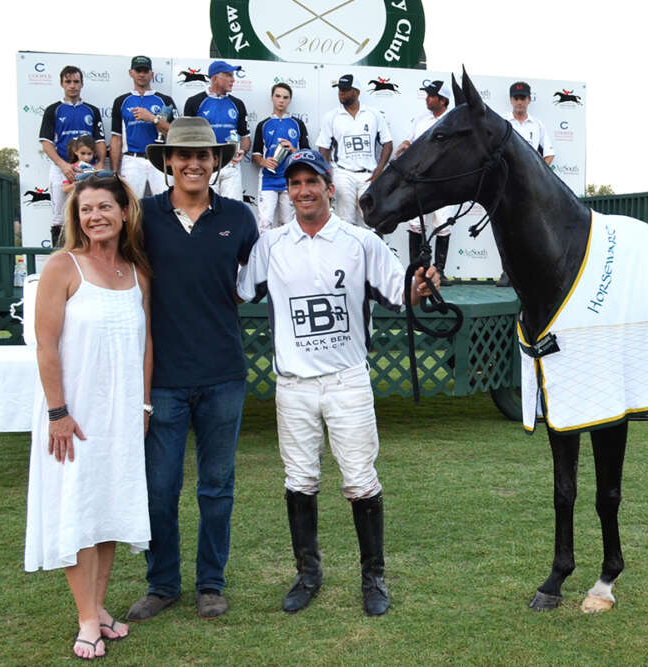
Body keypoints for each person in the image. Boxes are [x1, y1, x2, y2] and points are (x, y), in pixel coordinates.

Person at [237, 149, 440, 617]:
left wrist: (422, 285)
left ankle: (374, 579)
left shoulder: (360, 242)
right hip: (293, 384)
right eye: (295, 184)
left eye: (313, 182)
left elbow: (400, 293)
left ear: (330, 188)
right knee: (300, 481)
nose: (304, 191)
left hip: (347, 380)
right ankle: (308, 575)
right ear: (287, 193)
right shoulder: (271, 245)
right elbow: (239, 290)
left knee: (360, 482)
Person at [126, 117, 259, 622]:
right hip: (162, 379)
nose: (193, 163)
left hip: (224, 373)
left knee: (216, 487)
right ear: (167, 162)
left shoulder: (241, 219)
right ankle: (162, 584)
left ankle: (210, 583)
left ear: (218, 162)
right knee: (159, 488)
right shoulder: (142, 218)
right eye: (183, 155)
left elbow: (265, 278)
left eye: (204, 155)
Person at [25, 174, 153, 660]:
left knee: (108, 507)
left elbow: (146, 344)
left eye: (104, 207)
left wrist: (143, 404)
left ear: (124, 213)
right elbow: (45, 345)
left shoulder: (136, 271)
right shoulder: (62, 266)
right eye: (85, 209)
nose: (94, 216)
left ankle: (98, 608)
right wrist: (58, 412)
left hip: (120, 413)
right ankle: (85, 619)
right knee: (78, 510)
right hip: (74, 414)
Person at [394, 80, 457, 285]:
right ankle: (418, 269)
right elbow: (410, 140)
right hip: (420, 179)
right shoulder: (421, 119)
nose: (427, 99)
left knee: (443, 224)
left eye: (431, 96)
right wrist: (404, 144)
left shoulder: (454, 120)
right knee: (415, 223)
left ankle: (439, 271)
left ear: (443, 99)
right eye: (427, 95)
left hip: (445, 180)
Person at [496, 81, 557, 286]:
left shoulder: (537, 125)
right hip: (506, 183)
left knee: (529, 229)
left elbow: (549, 153)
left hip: (530, 187)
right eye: (516, 98)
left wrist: (539, 173)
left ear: (529, 100)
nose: (519, 102)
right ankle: (507, 272)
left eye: (523, 98)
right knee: (506, 228)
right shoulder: (503, 122)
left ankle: (527, 274)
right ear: (511, 100)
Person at [39, 65, 107, 247]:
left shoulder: (91, 110)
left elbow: (100, 141)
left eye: (76, 81)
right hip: (61, 168)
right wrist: (63, 165)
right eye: (68, 82)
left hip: (87, 169)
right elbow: (46, 143)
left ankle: (87, 254)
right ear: (62, 84)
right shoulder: (53, 110)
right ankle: (59, 257)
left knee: (90, 210)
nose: (72, 86)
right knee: (59, 216)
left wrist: (99, 165)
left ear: (82, 84)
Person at [316, 74, 393, 228]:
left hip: (368, 174)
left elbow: (387, 143)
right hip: (343, 173)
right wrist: (327, 174)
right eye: (340, 90)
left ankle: (371, 251)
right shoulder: (331, 117)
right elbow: (323, 147)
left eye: (345, 90)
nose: (341, 93)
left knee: (371, 220)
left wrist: (379, 169)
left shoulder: (373, 114)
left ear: (357, 92)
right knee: (346, 221)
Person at [183, 61, 251, 200]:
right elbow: (186, 138)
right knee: (205, 211)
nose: (233, 79)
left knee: (232, 212)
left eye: (233, 75)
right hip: (205, 165)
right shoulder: (194, 102)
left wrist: (242, 151)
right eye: (228, 75)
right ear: (214, 78)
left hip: (231, 165)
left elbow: (245, 137)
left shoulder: (237, 104)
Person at [110, 55, 176, 197]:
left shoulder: (164, 100)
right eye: (138, 70)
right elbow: (116, 138)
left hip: (160, 158)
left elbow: (176, 133)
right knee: (131, 207)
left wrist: (153, 118)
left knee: (166, 205)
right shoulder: (121, 101)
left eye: (145, 71)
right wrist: (114, 171)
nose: (141, 74)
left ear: (151, 74)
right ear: (131, 73)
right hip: (132, 161)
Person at [251, 82, 310, 232]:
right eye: (278, 96)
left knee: (287, 223)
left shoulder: (298, 124)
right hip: (268, 180)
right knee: (265, 222)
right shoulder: (263, 125)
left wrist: (293, 150)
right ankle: (265, 255)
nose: (281, 100)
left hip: (290, 180)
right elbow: (255, 154)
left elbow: (307, 153)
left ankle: (284, 255)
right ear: (272, 98)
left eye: (285, 97)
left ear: (290, 100)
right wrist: (264, 162)